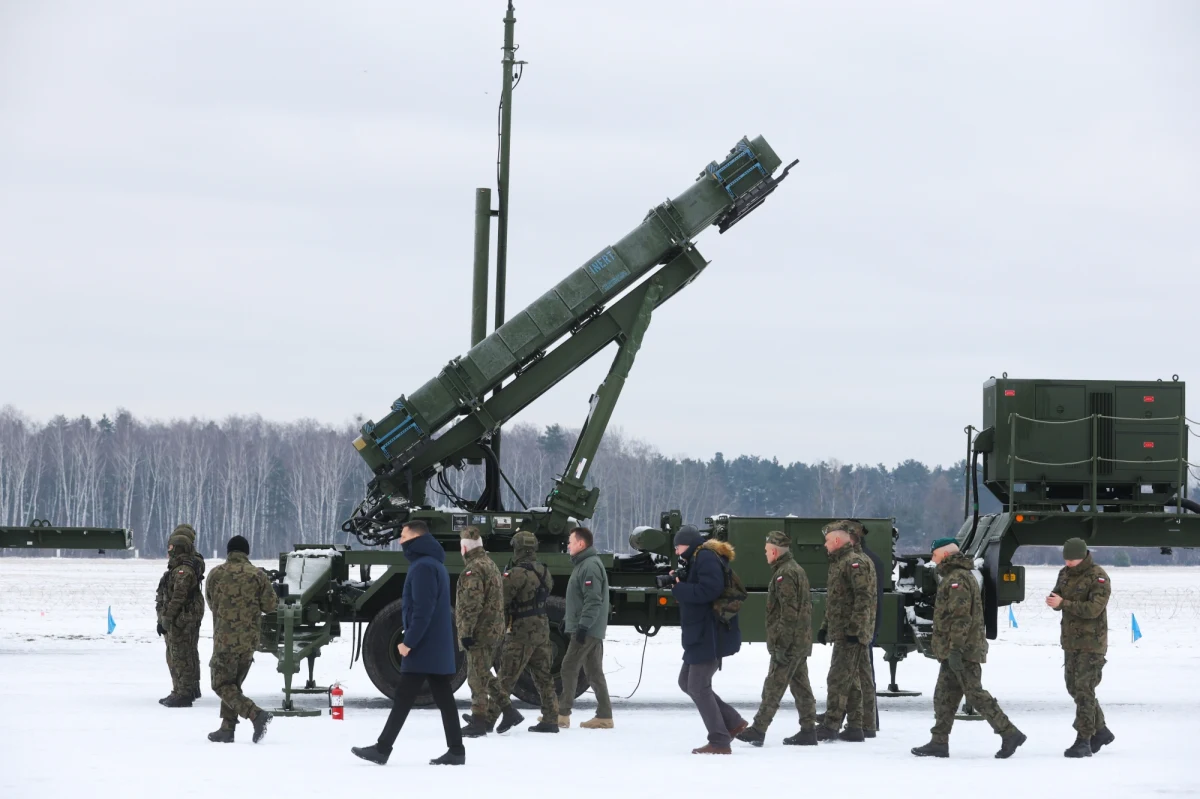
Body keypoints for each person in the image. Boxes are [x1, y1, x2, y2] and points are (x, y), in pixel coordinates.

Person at [352, 521, 465, 766]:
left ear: (415, 538)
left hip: (424, 646)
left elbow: (422, 611)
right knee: (442, 698)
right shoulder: (433, 564)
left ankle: (382, 749)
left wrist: (408, 642)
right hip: (433, 645)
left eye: (403, 536)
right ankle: (456, 750)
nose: (400, 540)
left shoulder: (423, 567)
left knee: (405, 698)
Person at [911, 537, 1025, 759]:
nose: (932, 559)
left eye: (934, 554)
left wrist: (955, 649)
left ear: (945, 554)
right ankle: (939, 741)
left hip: (963, 650)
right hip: (954, 649)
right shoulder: (954, 576)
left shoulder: (957, 579)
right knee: (944, 696)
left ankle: (1009, 732)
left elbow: (961, 618)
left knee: (974, 694)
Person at [671, 524, 746, 754]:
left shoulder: (704, 557)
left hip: (708, 634)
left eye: (678, 547)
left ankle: (720, 740)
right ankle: (732, 722)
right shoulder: (699, 557)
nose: (676, 552)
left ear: (688, 544)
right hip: (700, 633)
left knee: (697, 686)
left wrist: (679, 589)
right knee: (686, 682)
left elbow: (710, 590)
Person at [737, 530, 816, 747]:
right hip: (798, 640)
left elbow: (788, 613)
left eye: (766, 550)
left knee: (773, 685)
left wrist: (781, 643)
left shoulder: (785, 574)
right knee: (801, 686)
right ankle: (808, 730)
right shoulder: (794, 569)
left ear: (774, 551)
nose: (765, 554)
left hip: (789, 642)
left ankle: (759, 729)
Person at [484, 530, 560, 734]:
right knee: (544, 676)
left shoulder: (515, 574)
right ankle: (551, 718)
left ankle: (488, 719)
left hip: (521, 631)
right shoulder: (544, 571)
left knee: (506, 677)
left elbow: (501, 600)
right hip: (542, 628)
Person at [204, 535, 277, 743]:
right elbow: (271, 606)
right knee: (233, 684)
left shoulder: (216, 574)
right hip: (249, 641)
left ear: (228, 552)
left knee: (220, 684)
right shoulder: (258, 575)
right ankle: (227, 729)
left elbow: (211, 602)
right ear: (247, 552)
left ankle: (255, 714)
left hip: (224, 640)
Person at [1047, 537, 1114, 758]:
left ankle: (1084, 740)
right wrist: (1055, 601)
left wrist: (1064, 603)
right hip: (1070, 641)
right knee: (1074, 688)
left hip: (1091, 643)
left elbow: (1094, 609)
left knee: (1084, 690)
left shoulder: (1098, 576)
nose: (1068, 563)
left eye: (1072, 559)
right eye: (1066, 559)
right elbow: (1058, 595)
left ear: (1083, 556)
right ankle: (1101, 731)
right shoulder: (1064, 573)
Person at [815, 520, 876, 742]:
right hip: (843, 630)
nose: (825, 545)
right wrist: (825, 626)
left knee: (838, 678)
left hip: (849, 632)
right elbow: (836, 600)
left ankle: (832, 725)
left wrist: (854, 629)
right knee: (853, 679)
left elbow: (863, 598)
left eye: (827, 540)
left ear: (838, 540)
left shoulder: (853, 562)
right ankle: (858, 726)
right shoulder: (840, 562)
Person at [557, 526, 613, 729]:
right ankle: (605, 716)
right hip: (588, 627)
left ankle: (562, 714)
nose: (568, 545)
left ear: (581, 544)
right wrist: (568, 619)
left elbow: (593, 600)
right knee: (594, 672)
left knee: (569, 667)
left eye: (570, 542)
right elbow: (579, 599)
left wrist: (582, 626)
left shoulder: (589, 566)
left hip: (587, 629)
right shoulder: (584, 564)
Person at [456, 526, 505, 738]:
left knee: (477, 676)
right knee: (482, 673)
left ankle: (479, 722)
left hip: (480, 631)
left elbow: (471, 604)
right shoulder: (489, 563)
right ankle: (490, 715)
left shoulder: (473, 569)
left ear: (464, 548)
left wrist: (466, 632)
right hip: (493, 629)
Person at [158, 530, 205, 708]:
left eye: (171, 547)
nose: (169, 550)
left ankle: (183, 693)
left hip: (181, 619)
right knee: (183, 653)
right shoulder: (180, 567)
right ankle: (184, 689)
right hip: (182, 617)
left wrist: (166, 618)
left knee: (180, 655)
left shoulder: (182, 571)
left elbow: (178, 597)